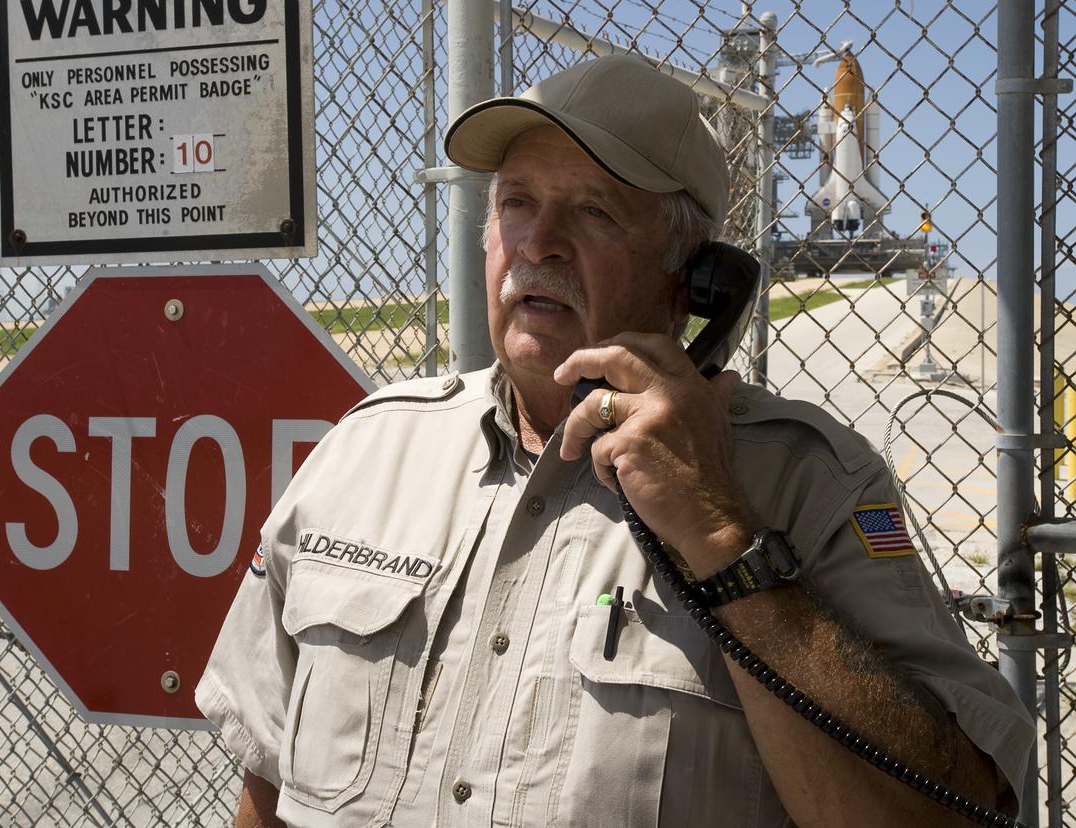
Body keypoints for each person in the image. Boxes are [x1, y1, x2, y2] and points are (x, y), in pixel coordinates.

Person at [196, 55, 1032, 827]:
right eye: (516, 201)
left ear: (696, 282)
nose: (538, 242)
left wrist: (719, 537)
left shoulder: (807, 485)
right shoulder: (369, 449)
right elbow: (265, 785)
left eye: (593, 210)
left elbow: (953, 809)